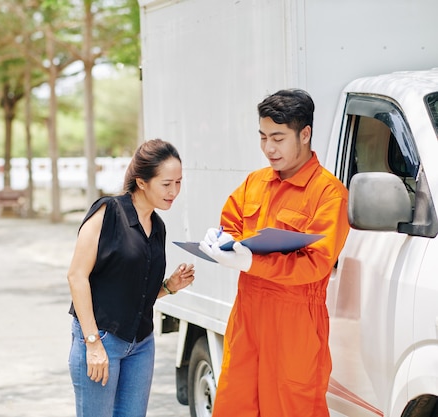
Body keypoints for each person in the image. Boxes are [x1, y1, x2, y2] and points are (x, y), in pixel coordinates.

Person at [199, 89, 350, 417]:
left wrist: (252, 261)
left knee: (291, 408)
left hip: (295, 325)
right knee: (234, 407)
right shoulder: (255, 183)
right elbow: (232, 222)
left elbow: (316, 264)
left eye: (278, 138)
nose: (269, 148)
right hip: (247, 318)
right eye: (263, 137)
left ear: (305, 134)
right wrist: (222, 239)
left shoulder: (328, 194)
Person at [67, 138, 196, 417]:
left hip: (141, 344)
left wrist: (169, 287)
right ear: (141, 182)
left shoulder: (158, 227)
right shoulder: (108, 213)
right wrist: (92, 343)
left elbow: (135, 291)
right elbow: (77, 277)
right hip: (102, 339)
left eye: (179, 182)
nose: (174, 191)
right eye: (166, 184)